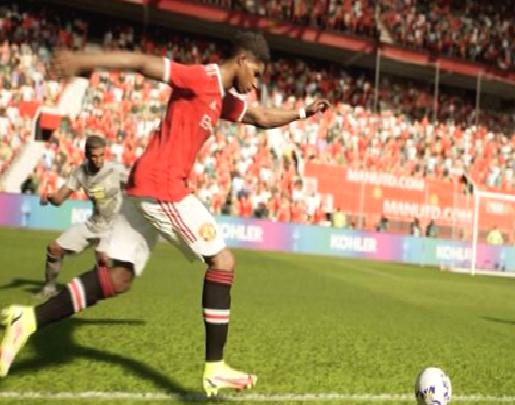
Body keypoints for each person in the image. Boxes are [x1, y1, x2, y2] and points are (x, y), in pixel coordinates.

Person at [0, 32, 330, 397]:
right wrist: (83, 61)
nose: (256, 82)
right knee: (222, 261)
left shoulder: (221, 97)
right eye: (256, 72)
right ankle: (215, 368)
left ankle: (27, 319)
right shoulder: (201, 78)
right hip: (162, 186)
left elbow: (260, 116)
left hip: (144, 185)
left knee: (118, 278)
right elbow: (144, 64)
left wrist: (303, 112)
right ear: (241, 60)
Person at [36, 135, 127, 299]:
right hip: (94, 224)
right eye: (94, 156)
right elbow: (59, 199)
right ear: (87, 155)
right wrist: (49, 197)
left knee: (103, 258)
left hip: (114, 226)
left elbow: (138, 185)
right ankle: (49, 289)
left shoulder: (115, 170)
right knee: (54, 249)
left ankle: (98, 289)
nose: (99, 160)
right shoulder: (79, 173)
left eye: (101, 155)